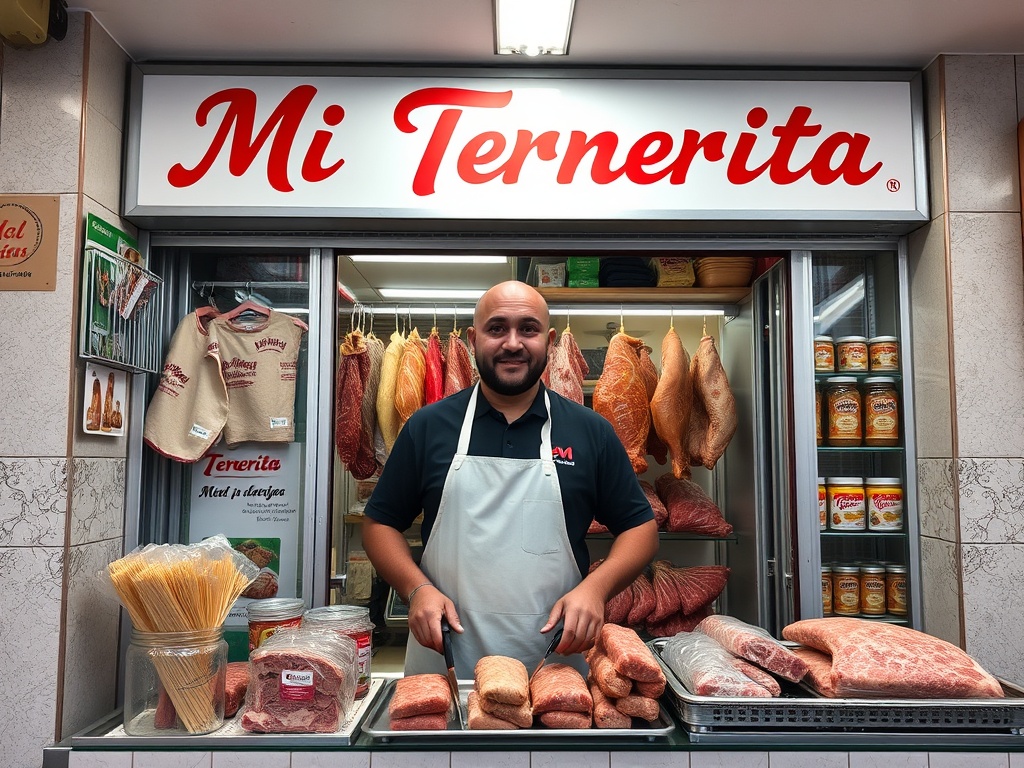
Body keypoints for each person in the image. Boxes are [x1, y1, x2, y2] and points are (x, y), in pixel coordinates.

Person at [362, 280, 659, 676]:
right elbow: (379, 524)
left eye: (528, 329)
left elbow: (640, 528)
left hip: (554, 665)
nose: (513, 343)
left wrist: (596, 588)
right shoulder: (428, 427)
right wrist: (416, 589)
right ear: (473, 339)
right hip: (446, 663)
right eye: (497, 328)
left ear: (549, 341)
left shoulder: (590, 431)